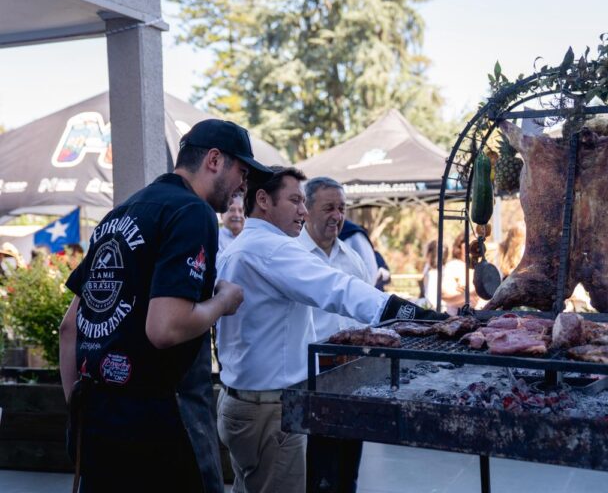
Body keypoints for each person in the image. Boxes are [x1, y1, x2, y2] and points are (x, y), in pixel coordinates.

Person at [58, 119, 273, 493]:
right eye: (242, 171)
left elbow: (69, 328)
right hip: (160, 426)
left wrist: (79, 412)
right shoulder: (192, 212)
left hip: (98, 421)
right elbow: (165, 328)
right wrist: (222, 301)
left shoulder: (120, 213)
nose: (244, 186)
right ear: (214, 159)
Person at [215, 166, 445, 493]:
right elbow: (336, 288)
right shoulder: (271, 248)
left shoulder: (241, 246)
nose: (303, 211)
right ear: (263, 200)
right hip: (269, 412)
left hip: (242, 404)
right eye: (295, 200)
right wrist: (410, 313)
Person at [297, 176, 369, 492]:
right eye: (328, 207)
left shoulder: (353, 260)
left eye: (341, 208)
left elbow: (366, 317)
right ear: (307, 210)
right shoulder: (291, 257)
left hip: (351, 377)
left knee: (347, 470)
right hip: (311, 377)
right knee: (317, 470)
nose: (337, 216)